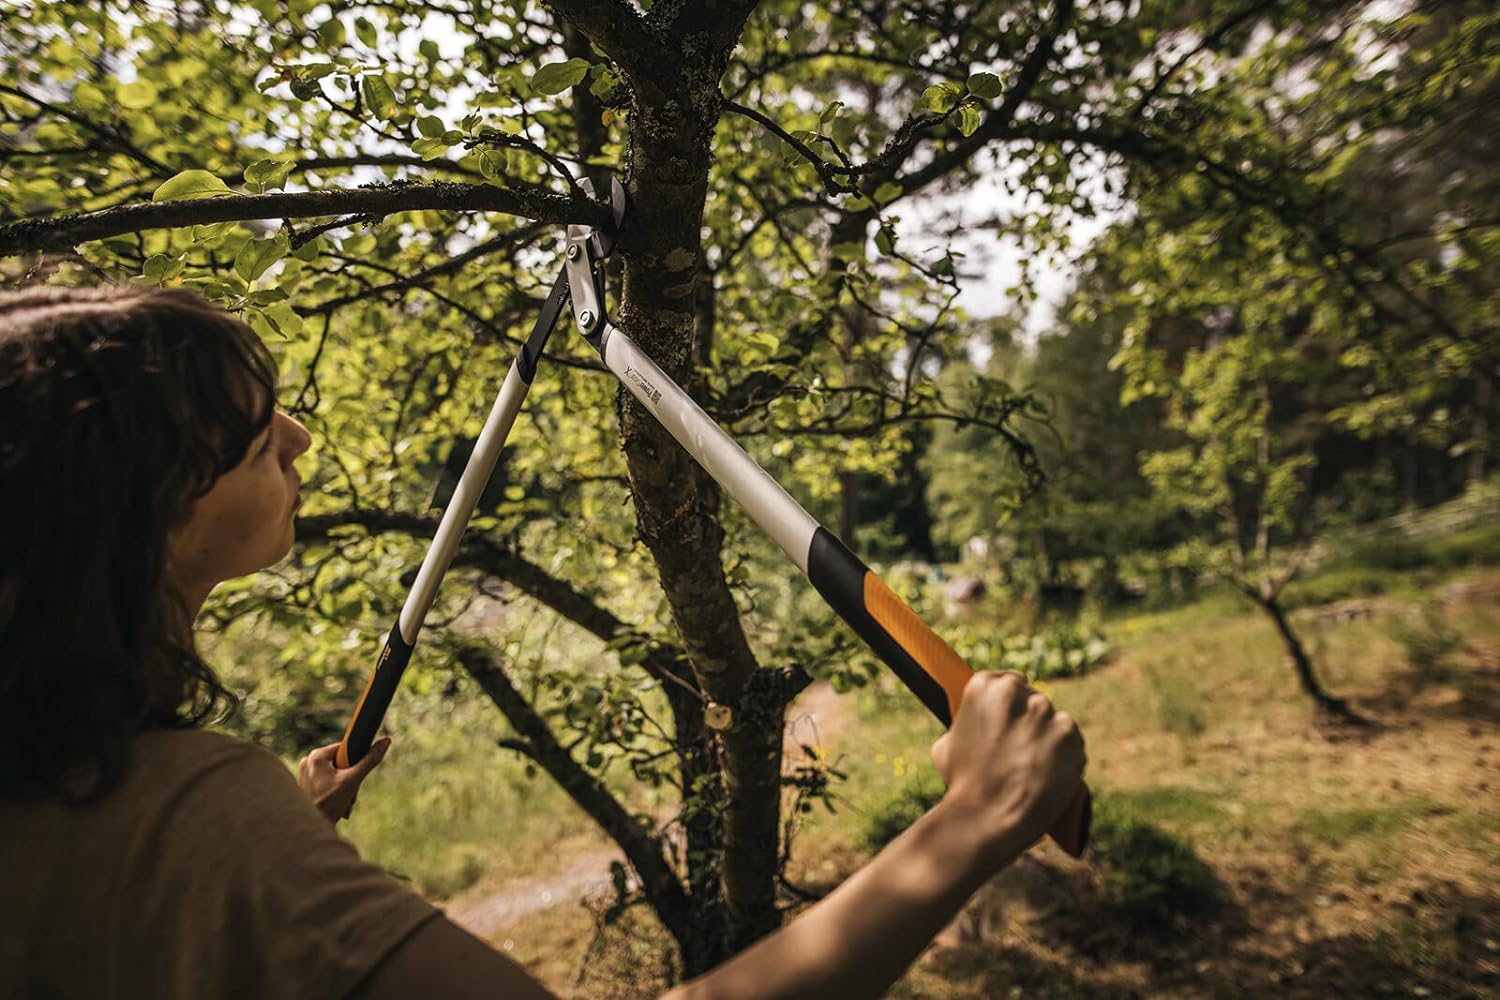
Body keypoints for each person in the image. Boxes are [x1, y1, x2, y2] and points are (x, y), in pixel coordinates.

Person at [0, 284, 1086, 999]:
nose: (297, 434)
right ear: (136, 509)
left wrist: (276, 828)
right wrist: (974, 819)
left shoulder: (68, 785)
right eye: (250, 433)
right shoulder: (199, 828)